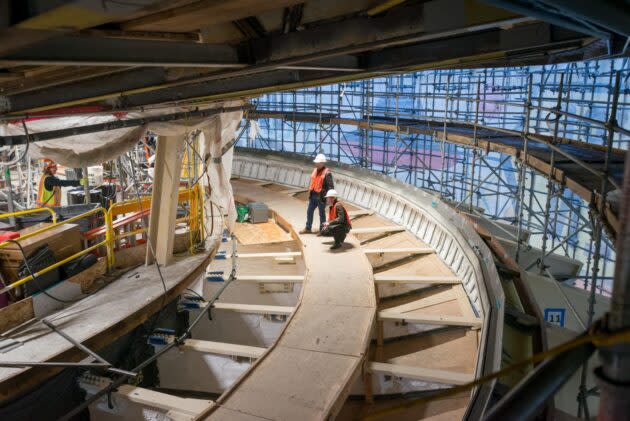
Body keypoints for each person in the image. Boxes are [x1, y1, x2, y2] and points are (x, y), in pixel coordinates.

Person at [299, 153, 334, 234]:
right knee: (309, 211)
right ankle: (308, 228)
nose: (316, 164)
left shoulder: (327, 173)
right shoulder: (315, 170)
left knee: (322, 214)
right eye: (316, 163)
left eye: (318, 163)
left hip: (321, 197)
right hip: (313, 195)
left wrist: (329, 198)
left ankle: (322, 230)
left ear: (322, 163)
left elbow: (331, 187)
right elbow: (314, 182)